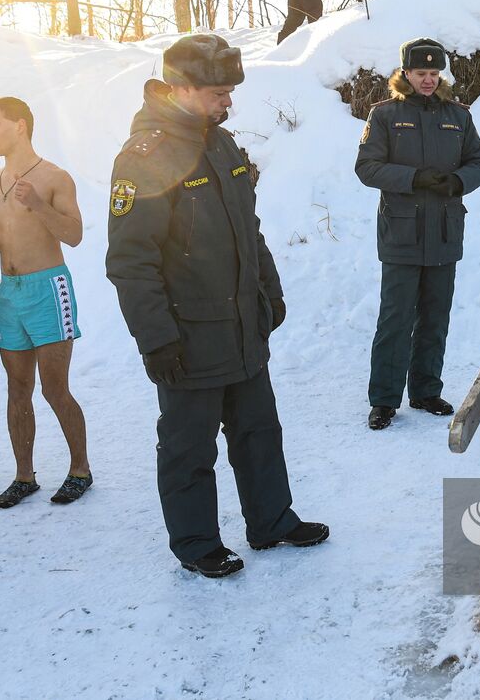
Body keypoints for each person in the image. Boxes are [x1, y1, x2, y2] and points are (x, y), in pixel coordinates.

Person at [106, 34, 327, 578]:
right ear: (179, 88)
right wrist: (156, 337)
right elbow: (131, 261)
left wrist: (268, 292)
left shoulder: (223, 144)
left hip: (241, 323)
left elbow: (247, 229)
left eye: (230, 91)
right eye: (218, 92)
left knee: (259, 429)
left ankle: (272, 520)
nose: (228, 102)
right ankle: (198, 542)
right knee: (189, 447)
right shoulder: (147, 158)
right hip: (189, 334)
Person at [354, 38, 480, 431]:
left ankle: (425, 389)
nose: (428, 80)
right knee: (396, 319)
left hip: (445, 232)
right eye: (421, 74)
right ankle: (383, 399)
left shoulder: (458, 116)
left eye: (434, 74)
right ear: (405, 74)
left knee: (435, 316)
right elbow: (367, 167)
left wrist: (459, 181)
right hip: (402, 233)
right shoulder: (384, 115)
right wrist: (414, 178)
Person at [0, 97, 92, 509]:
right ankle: (24, 477)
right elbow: (2, 227)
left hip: (48, 287)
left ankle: (80, 470)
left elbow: (75, 235)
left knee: (54, 388)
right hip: (11, 291)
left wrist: (39, 204)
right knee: (17, 387)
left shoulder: (54, 176)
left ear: (20, 126)